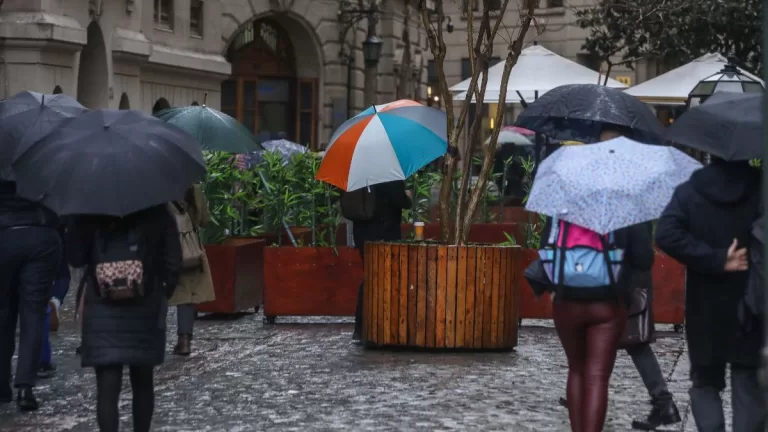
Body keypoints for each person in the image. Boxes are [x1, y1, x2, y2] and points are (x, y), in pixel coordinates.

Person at [557, 127, 681, 430]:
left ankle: (662, 402)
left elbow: (641, 250)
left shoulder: (627, 187)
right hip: (614, 278)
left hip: (626, 280)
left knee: (634, 343)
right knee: (612, 343)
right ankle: (655, 402)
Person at [656, 157, 765, 431]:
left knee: (704, 382)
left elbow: (666, 234)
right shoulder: (761, 187)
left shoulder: (691, 190)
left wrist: (714, 259)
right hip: (751, 304)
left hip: (705, 306)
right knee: (748, 382)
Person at [66, 205, 181, 432]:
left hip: (101, 307)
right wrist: (160, 291)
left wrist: (74, 223)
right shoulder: (156, 209)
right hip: (145, 304)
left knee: (107, 388)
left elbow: (76, 258)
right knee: (142, 382)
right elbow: (173, 261)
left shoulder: (88, 210)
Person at [547, 217, 654, 432]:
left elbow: (545, 246)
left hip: (567, 297)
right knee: (597, 376)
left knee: (576, 369)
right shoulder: (622, 201)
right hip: (608, 300)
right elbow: (643, 258)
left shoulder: (564, 198)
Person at [0, 179, 61, 411]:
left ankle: (1, 383)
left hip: (3, 233)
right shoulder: (42, 150)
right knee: (34, 313)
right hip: (39, 231)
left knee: (2, 313)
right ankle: (25, 387)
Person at [351, 181, 412, 340]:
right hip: (385, 233)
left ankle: (361, 327)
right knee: (386, 279)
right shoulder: (390, 173)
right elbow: (401, 201)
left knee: (370, 277)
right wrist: (407, 196)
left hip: (362, 233)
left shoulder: (360, 173)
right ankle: (380, 326)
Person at [168, 185, 216, 356]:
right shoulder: (191, 188)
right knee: (187, 295)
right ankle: (184, 341)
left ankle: (153, 340)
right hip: (188, 249)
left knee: (157, 294)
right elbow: (204, 220)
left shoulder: (156, 188)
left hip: (163, 247)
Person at [38, 225, 71, 378]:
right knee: (62, 275)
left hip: (9, 234)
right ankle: (42, 362)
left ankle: (4, 370)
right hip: (50, 232)